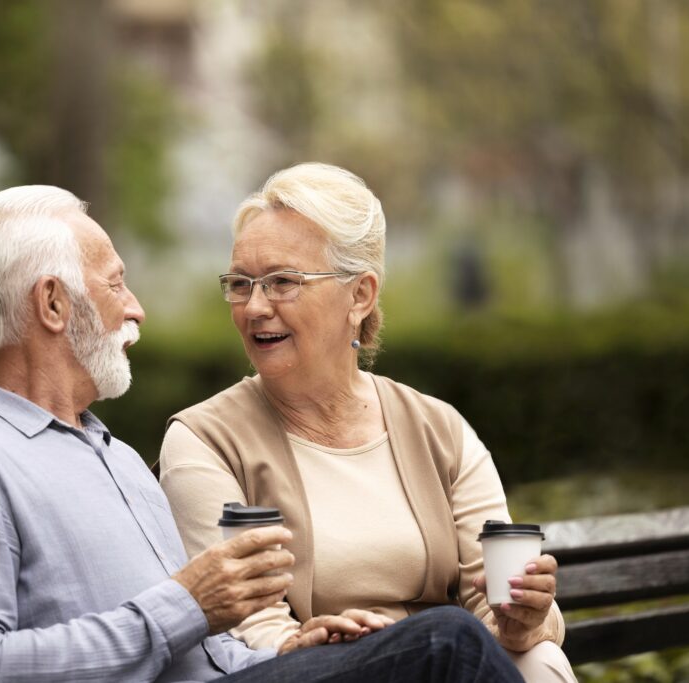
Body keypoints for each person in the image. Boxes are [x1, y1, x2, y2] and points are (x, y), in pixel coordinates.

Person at [0, 185, 525, 683]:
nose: (135, 308)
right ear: (52, 304)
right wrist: (184, 607)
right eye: (115, 284)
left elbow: (202, 651)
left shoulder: (117, 459)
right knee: (448, 643)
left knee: (428, 647)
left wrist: (299, 649)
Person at [159, 163, 577, 682]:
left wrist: (522, 621)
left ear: (360, 295)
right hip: (319, 672)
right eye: (241, 284)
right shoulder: (206, 441)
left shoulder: (437, 428)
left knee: (538, 659)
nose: (255, 307)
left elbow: (490, 599)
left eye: (283, 282)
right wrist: (299, 642)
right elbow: (247, 623)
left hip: (444, 663)